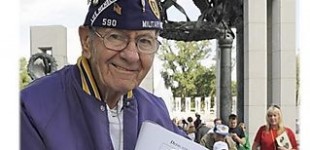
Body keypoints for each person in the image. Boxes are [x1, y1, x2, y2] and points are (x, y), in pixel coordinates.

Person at [20, 0, 188, 149]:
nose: (131, 55)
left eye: (144, 41)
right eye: (116, 37)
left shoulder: (155, 110)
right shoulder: (31, 108)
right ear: (86, 41)